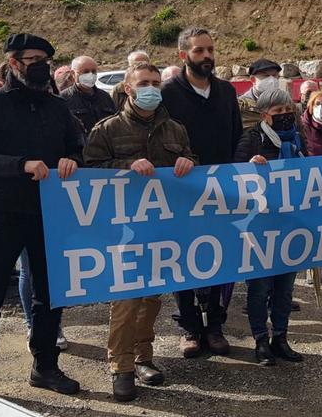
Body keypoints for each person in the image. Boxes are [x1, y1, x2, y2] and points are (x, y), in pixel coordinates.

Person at [0, 33, 82, 394]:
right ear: (13, 63)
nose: (41, 66)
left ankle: (45, 367)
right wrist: (20, 165)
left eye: (46, 59)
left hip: (49, 214)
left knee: (49, 295)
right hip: (3, 213)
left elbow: (78, 149)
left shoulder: (57, 107)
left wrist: (70, 161)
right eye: (33, 59)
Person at [84, 62, 196, 401]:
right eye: (144, 83)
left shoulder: (175, 129)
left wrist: (189, 162)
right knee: (126, 301)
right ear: (129, 89)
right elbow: (89, 171)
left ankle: (143, 358)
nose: (151, 88)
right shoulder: (106, 129)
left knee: (150, 299)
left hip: (161, 229)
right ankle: (121, 368)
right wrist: (125, 167)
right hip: (122, 231)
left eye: (156, 83)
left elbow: (191, 161)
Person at [161, 27, 242, 358]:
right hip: (181, 191)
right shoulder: (168, 93)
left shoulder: (225, 91)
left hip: (222, 191)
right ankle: (189, 326)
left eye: (210, 49)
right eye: (199, 51)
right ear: (183, 55)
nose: (207, 56)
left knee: (223, 260)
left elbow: (237, 136)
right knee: (184, 259)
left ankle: (216, 325)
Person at [234, 89, 304, 365]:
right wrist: (249, 166)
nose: (286, 116)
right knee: (260, 288)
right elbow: (233, 175)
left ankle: (281, 338)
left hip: (290, 224)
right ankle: (261, 340)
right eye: (278, 112)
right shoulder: (251, 139)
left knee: (285, 288)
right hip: (258, 227)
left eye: (288, 110)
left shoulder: (297, 138)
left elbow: (310, 170)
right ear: (264, 115)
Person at [60, 56, 117, 133]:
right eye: (85, 72)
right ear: (73, 74)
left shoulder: (105, 97)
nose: (90, 75)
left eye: (93, 71)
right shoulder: (63, 99)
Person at [239, 58, 283, 130]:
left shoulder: (285, 104)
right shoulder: (242, 106)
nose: (272, 80)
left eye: (274, 75)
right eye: (266, 76)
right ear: (253, 79)